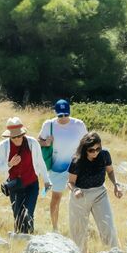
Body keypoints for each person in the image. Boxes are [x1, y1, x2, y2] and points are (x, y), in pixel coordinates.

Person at [66, 131, 123, 253]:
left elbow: (110, 171)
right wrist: (75, 190)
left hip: (99, 193)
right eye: (91, 150)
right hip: (80, 195)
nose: (95, 152)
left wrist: (116, 184)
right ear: (85, 149)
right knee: (78, 231)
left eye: (98, 148)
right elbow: (70, 182)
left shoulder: (104, 155)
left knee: (108, 226)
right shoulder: (77, 161)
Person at [38, 99, 86, 232]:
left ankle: (79, 228)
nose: (63, 118)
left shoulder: (78, 124)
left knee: (79, 197)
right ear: (55, 113)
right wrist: (46, 143)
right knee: (56, 197)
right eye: (60, 115)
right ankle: (55, 228)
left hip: (76, 167)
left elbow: (87, 143)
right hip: (57, 167)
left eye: (66, 114)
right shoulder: (49, 124)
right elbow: (39, 141)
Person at [0, 116, 42, 234]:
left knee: (28, 213)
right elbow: (0, 168)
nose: (16, 139)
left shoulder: (32, 143)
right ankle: (19, 241)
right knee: (18, 215)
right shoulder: (3, 146)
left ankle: (29, 239)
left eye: (19, 136)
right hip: (15, 186)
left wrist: (46, 181)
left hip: (32, 184)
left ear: (23, 134)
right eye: (13, 137)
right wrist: (10, 164)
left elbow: (40, 162)